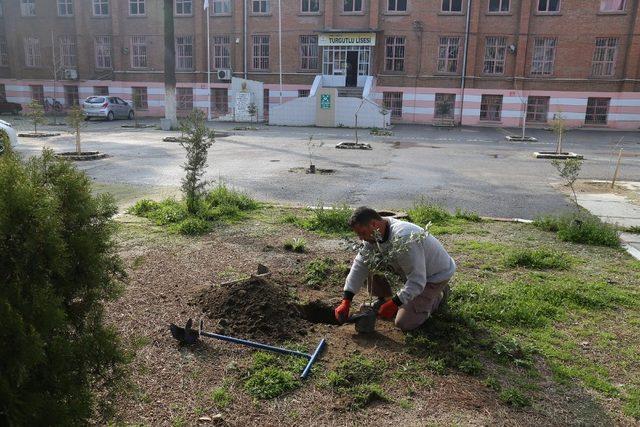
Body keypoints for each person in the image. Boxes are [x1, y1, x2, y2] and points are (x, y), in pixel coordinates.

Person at [334, 207, 456, 331]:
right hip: (413, 271)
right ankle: (383, 299)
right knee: (371, 261)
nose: (361, 238)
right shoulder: (373, 237)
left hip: (434, 276)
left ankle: (438, 296)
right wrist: (346, 300)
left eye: (362, 233)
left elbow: (417, 281)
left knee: (404, 323)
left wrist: (395, 303)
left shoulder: (404, 238)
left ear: (374, 224)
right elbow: (360, 265)